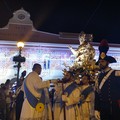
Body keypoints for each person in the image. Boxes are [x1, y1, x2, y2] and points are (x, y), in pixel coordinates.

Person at [95, 40, 120, 120]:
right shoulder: (98, 76)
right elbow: (97, 94)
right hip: (103, 109)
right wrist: (96, 109)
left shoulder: (116, 73)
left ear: (108, 62)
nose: (100, 63)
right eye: (99, 62)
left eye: (102, 61)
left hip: (115, 108)